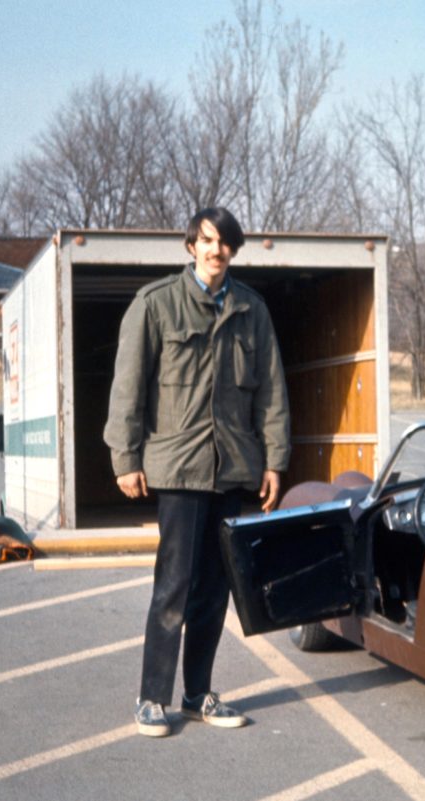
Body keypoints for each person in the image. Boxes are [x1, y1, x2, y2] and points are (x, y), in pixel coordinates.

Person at [104, 207, 290, 737]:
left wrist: (275, 460)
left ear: (234, 250)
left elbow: (273, 392)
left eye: (225, 243)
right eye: (207, 241)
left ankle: (197, 693)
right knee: (174, 586)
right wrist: (126, 458)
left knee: (215, 588)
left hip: (232, 469)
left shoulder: (252, 311)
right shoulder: (156, 304)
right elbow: (128, 388)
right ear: (191, 246)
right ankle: (151, 698)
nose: (215, 251)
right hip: (179, 468)